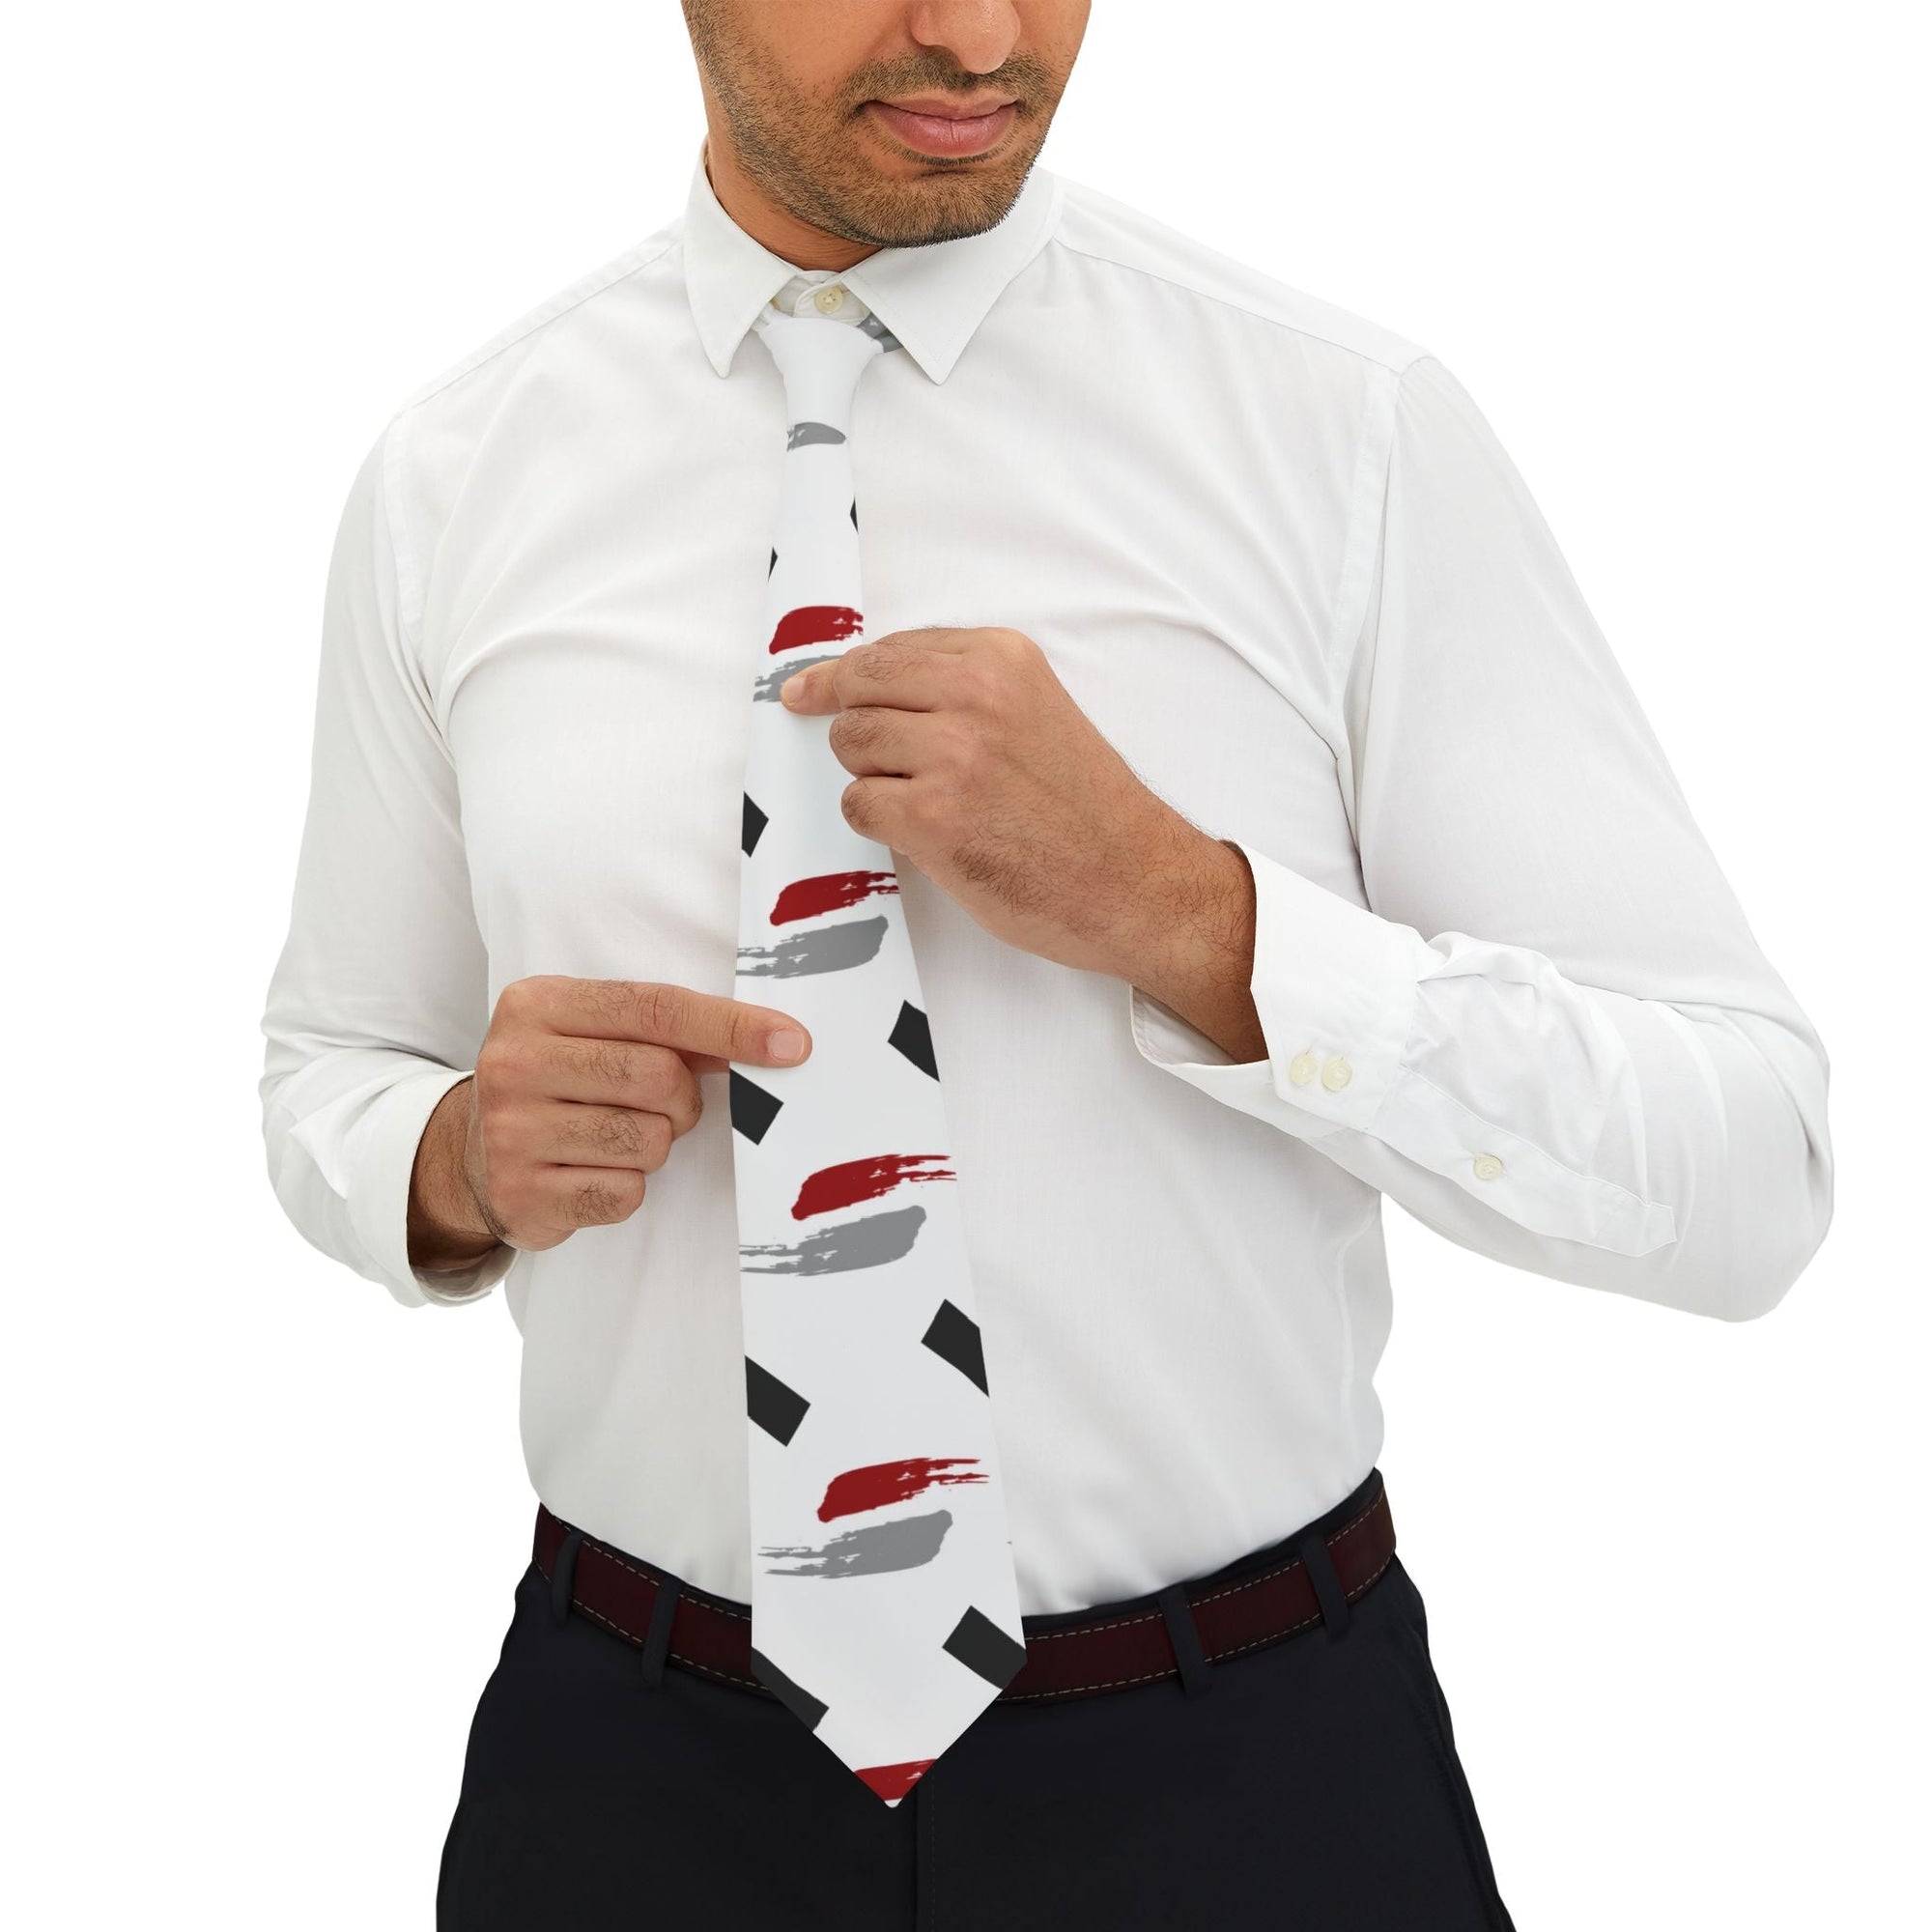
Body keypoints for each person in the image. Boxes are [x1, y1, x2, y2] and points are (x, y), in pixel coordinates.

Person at [258, 2, 1833, 1924]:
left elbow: (1748, 1170)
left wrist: (1189, 914)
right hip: (634, 1782)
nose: (979, 33)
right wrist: (447, 1162)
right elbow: (333, 1062)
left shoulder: (1338, 432)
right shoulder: (453, 476)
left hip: (1249, 1780)